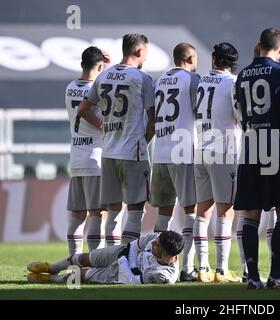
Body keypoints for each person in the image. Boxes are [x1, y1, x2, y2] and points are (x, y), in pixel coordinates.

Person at [78, 34, 155, 246]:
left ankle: (110, 261)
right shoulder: (142, 78)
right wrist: (144, 140)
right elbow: (153, 118)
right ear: (139, 52)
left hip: (109, 152)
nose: (145, 57)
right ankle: (126, 261)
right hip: (133, 152)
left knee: (112, 210)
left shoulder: (103, 76)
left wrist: (104, 127)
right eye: (145, 53)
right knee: (135, 208)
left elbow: (83, 109)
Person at [233, 28, 280, 289]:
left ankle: (253, 277)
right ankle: (276, 275)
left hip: (250, 143)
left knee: (250, 214)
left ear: (259, 46)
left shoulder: (242, 75)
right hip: (277, 142)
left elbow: (240, 112)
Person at [151, 43, 199, 282]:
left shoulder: (160, 80)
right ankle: (187, 267)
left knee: (163, 212)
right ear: (190, 58)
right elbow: (201, 109)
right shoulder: (191, 79)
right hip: (182, 149)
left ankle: (155, 263)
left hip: (160, 151)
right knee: (191, 210)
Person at [192, 42, 240, 283]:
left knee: (203, 210)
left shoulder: (201, 81)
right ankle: (221, 270)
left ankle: (203, 268)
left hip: (200, 149)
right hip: (224, 150)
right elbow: (240, 117)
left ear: (213, 60)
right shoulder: (233, 83)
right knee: (226, 210)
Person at [64, 46, 109, 255]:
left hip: (76, 159)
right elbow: (91, 109)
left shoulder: (70, 87)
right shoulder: (98, 89)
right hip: (95, 158)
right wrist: (104, 126)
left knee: (78, 214)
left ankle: (74, 260)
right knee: (98, 213)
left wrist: (103, 67)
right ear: (100, 66)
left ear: (82, 64)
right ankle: (94, 263)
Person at [26, 231, 183, 285]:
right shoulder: (160, 237)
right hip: (126, 253)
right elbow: (135, 245)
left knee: (83, 275)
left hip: (121, 274)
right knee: (86, 258)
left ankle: (50, 279)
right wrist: (131, 262)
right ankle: (51, 267)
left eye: (156, 245)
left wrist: (124, 263)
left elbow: (131, 281)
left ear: (165, 255)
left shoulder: (163, 275)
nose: (153, 243)